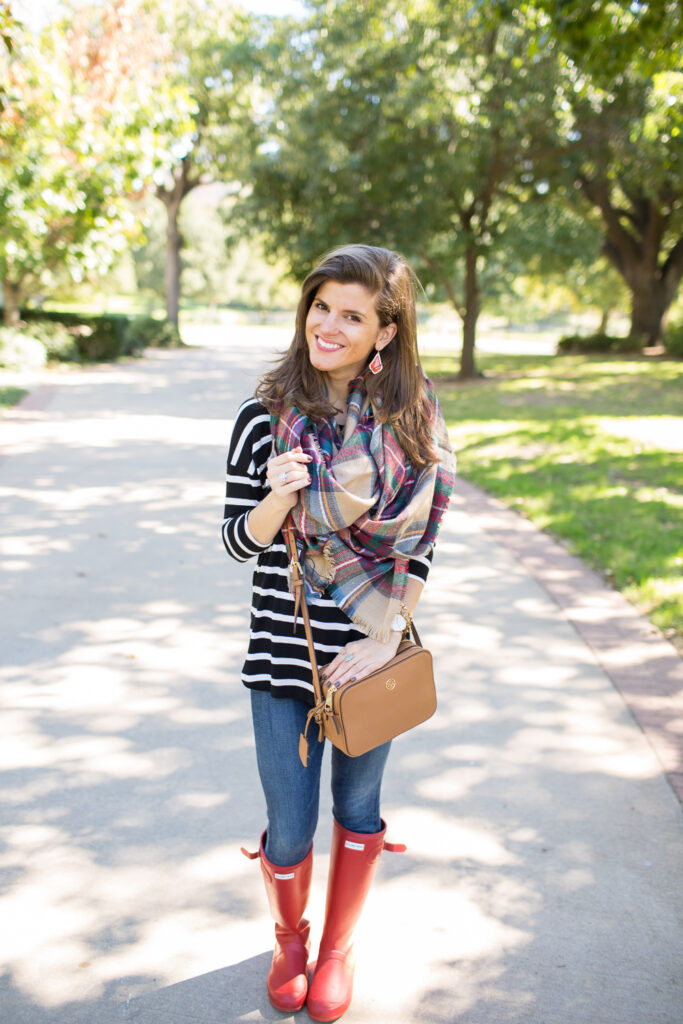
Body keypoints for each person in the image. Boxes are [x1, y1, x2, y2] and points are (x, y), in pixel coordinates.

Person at [222, 243, 454, 1021]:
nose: (329, 325)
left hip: (365, 657)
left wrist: (388, 637)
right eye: (321, 306)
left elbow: (420, 542)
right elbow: (234, 540)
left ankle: (336, 952)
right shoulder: (264, 417)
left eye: (351, 315)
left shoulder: (410, 418)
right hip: (283, 654)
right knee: (289, 827)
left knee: (358, 811)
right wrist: (275, 502)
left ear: (384, 332)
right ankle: (290, 940)